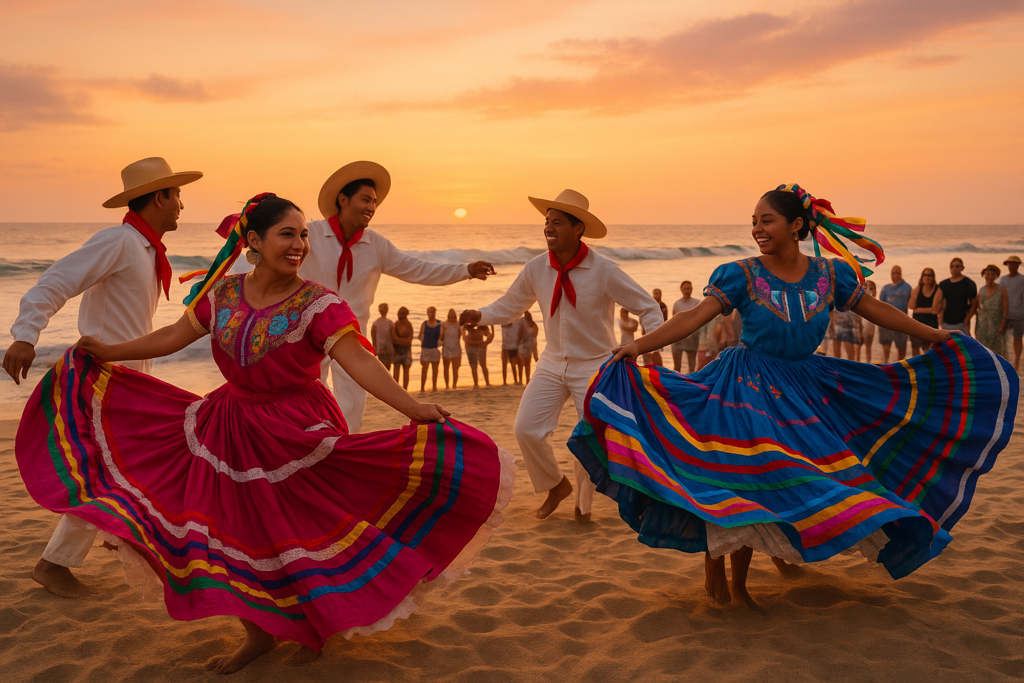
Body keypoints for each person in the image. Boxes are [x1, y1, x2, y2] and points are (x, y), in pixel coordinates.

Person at [14, 193, 514, 674]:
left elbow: (360, 360)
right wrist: (106, 353)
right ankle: (259, 633)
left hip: (298, 431)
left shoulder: (321, 305)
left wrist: (412, 406)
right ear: (253, 240)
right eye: (285, 234)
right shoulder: (224, 294)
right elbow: (170, 337)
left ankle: (309, 622)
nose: (298, 244)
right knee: (237, 533)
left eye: (302, 235)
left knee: (299, 534)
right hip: (228, 427)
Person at [569, 184, 1017, 608]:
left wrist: (934, 334)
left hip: (807, 387)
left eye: (767, 221)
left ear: (797, 226)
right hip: (746, 385)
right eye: (753, 222)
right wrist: (639, 346)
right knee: (746, 476)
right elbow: (695, 319)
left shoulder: (832, 273)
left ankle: (761, 564)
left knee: (802, 476)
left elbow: (876, 309)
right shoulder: (741, 273)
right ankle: (723, 577)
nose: (757, 229)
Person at [2, 157, 202, 599]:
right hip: (106, 379)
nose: (182, 206)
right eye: (177, 196)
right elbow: (57, 279)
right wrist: (25, 335)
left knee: (122, 469)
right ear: (159, 197)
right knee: (107, 473)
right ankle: (56, 563)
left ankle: (114, 537)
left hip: (131, 376)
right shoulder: (119, 241)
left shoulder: (144, 247)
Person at [461, 189, 662, 523]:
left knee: (589, 438)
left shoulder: (604, 270)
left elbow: (648, 307)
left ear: (578, 228)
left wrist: (647, 347)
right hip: (551, 363)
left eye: (556, 223)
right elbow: (510, 306)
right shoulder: (536, 268)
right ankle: (555, 484)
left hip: (596, 366)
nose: (548, 228)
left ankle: (583, 508)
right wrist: (480, 315)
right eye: (546, 222)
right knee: (526, 429)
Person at [297, 162, 495, 432]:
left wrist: (465, 270)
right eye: (365, 199)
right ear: (343, 200)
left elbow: (419, 269)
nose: (372, 207)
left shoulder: (377, 245)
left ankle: (343, 461)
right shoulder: (311, 235)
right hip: (307, 337)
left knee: (352, 415)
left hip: (353, 341)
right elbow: (276, 262)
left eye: (375, 202)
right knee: (307, 409)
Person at [878, 265, 913, 362]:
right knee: (886, 346)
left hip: (901, 322)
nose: (895, 275)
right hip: (886, 321)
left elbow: (911, 305)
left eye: (898, 273)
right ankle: (885, 365)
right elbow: (881, 305)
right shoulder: (885, 288)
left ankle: (900, 366)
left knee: (901, 347)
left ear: (901, 274)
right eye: (893, 273)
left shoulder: (907, 288)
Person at [972, 264, 1008, 357]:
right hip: (983, 324)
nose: (989, 276)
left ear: (996, 276)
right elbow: (978, 308)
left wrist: (1003, 323)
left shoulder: (1002, 289)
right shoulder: (981, 290)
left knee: (998, 349)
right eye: (987, 274)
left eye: (992, 274)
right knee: (983, 348)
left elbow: (1005, 308)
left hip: (996, 323)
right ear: (984, 275)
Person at [908, 267, 943, 357]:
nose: (927, 277)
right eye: (925, 275)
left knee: (929, 350)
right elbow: (911, 306)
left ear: (933, 278)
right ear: (922, 277)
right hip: (916, 323)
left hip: (930, 325)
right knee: (915, 349)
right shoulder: (917, 289)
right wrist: (929, 309)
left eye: (929, 275)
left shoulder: (937, 290)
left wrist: (918, 309)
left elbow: (935, 310)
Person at [939, 257, 977, 334]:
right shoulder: (943, 284)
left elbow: (974, 304)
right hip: (946, 321)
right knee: (947, 345)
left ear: (962, 268)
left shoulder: (969, 283)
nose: (954, 268)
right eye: (952, 266)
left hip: (962, 322)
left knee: (962, 345)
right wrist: (940, 319)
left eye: (957, 266)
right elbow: (942, 304)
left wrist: (967, 319)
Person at [999, 255, 1024, 370]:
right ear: (1007, 265)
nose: (1012, 266)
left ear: (1018, 266)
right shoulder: (1003, 279)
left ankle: (1017, 360)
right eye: (1010, 264)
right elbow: (999, 296)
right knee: (1004, 339)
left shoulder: (1022, 279)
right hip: (1005, 314)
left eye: (1014, 264)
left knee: (1017, 337)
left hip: (1019, 313)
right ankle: (1005, 360)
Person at [671, 281, 700, 373]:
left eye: (689, 289)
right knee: (677, 366)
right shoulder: (677, 304)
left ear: (692, 290)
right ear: (681, 290)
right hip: (678, 337)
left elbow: (700, 320)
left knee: (691, 365)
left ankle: (690, 383)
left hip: (692, 336)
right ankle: (676, 383)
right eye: (685, 289)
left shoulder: (697, 303)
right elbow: (674, 321)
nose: (687, 291)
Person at [419, 306, 442, 392]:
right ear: (427, 313)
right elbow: (420, 336)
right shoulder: (424, 324)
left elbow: (442, 336)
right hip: (426, 349)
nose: (431, 314)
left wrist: (440, 342)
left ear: (435, 313)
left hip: (435, 349)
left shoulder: (440, 324)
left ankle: (434, 387)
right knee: (424, 369)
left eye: (433, 312)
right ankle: (422, 388)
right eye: (429, 312)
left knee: (435, 369)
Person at [463, 323, 494, 387]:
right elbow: (465, 338)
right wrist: (481, 343)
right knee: (474, 366)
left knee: (482, 365)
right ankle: (476, 383)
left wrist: (485, 343)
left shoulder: (482, 326)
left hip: (479, 346)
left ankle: (487, 383)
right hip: (471, 347)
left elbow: (489, 335)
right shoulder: (469, 325)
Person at [440, 308, 463, 389]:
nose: (451, 319)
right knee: (446, 367)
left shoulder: (458, 324)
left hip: (456, 347)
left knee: (455, 368)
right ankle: (447, 385)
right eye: (450, 317)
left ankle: (454, 385)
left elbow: (461, 335)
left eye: (453, 317)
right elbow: (441, 336)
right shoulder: (444, 324)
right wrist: (440, 341)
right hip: (446, 347)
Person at [392, 306, 413, 388]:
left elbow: (409, 340)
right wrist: (402, 341)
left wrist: (399, 340)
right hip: (397, 350)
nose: (400, 315)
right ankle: (396, 389)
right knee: (396, 372)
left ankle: (405, 389)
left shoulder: (409, 325)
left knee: (406, 371)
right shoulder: (396, 324)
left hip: (406, 350)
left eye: (401, 314)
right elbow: (393, 339)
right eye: (399, 313)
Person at [370, 303, 395, 370]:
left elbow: (373, 338)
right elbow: (374, 338)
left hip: (386, 348)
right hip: (382, 348)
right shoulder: (389, 322)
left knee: (384, 368)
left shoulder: (377, 323)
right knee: (384, 369)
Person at [517, 310, 540, 383]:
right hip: (527, 344)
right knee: (525, 363)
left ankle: (524, 380)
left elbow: (519, 334)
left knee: (524, 363)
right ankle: (524, 379)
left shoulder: (527, 324)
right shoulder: (533, 324)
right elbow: (535, 335)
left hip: (527, 345)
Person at [500, 316, 523, 385]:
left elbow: (520, 333)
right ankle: (504, 381)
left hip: (514, 347)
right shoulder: (503, 325)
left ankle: (517, 380)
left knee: (514, 365)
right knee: (504, 364)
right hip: (505, 347)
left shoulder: (516, 323)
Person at [859, 280, 878, 363]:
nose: (870, 290)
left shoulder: (876, 302)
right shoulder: (861, 301)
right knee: (857, 347)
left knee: (868, 347)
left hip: (870, 327)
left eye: (872, 289)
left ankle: (868, 363)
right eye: (868, 288)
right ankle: (856, 364)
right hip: (862, 326)